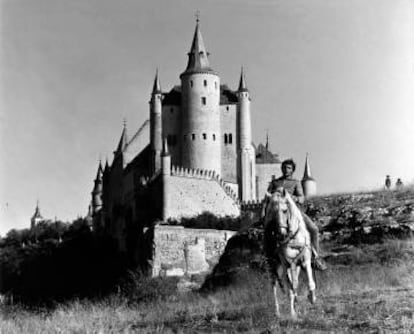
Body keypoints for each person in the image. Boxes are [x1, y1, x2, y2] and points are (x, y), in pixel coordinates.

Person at [262, 159, 327, 271]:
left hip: (294, 212)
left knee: (314, 229)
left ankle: (315, 258)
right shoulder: (275, 183)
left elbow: (301, 198)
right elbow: (266, 199)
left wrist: (294, 198)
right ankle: (267, 258)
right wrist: (263, 212)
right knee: (267, 231)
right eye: (284, 167)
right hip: (278, 213)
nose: (286, 170)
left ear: (292, 170)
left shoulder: (296, 183)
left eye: (289, 168)